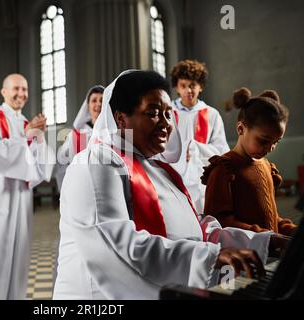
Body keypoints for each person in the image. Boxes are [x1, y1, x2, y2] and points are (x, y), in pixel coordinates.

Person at [53, 70, 288, 300]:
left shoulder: (160, 170)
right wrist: (208, 258)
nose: (166, 123)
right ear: (121, 118)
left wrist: (262, 242)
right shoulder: (97, 162)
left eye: (168, 114)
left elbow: (196, 231)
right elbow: (113, 245)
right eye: (154, 112)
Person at [0, 73, 55, 300]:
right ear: (3, 92)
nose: (21, 94)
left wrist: (39, 138)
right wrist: (26, 136)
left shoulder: (26, 122)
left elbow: (42, 165)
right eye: (16, 88)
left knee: (18, 253)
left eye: (24, 89)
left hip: (21, 198)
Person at [201, 87, 297, 237]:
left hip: (269, 252)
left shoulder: (265, 166)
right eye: (263, 141)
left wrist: (290, 230)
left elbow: (270, 218)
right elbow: (219, 222)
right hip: (242, 256)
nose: (270, 148)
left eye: (276, 142)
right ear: (241, 128)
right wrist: (265, 237)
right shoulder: (224, 169)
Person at [170, 60, 229, 214]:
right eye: (183, 86)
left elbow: (222, 150)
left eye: (193, 85)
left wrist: (195, 148)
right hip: (172, 179)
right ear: (176, 87)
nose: (188, 90)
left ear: (200, 86)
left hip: (202, 181)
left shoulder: (211, 114)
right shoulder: (167, 112)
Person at [55, 85, 104, 191]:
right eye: (94, 100)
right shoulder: (78, 133)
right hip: (82, 185)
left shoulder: (113, 131)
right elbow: (62, 158)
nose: (98, 104)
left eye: (102, 100)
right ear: (87, 105)